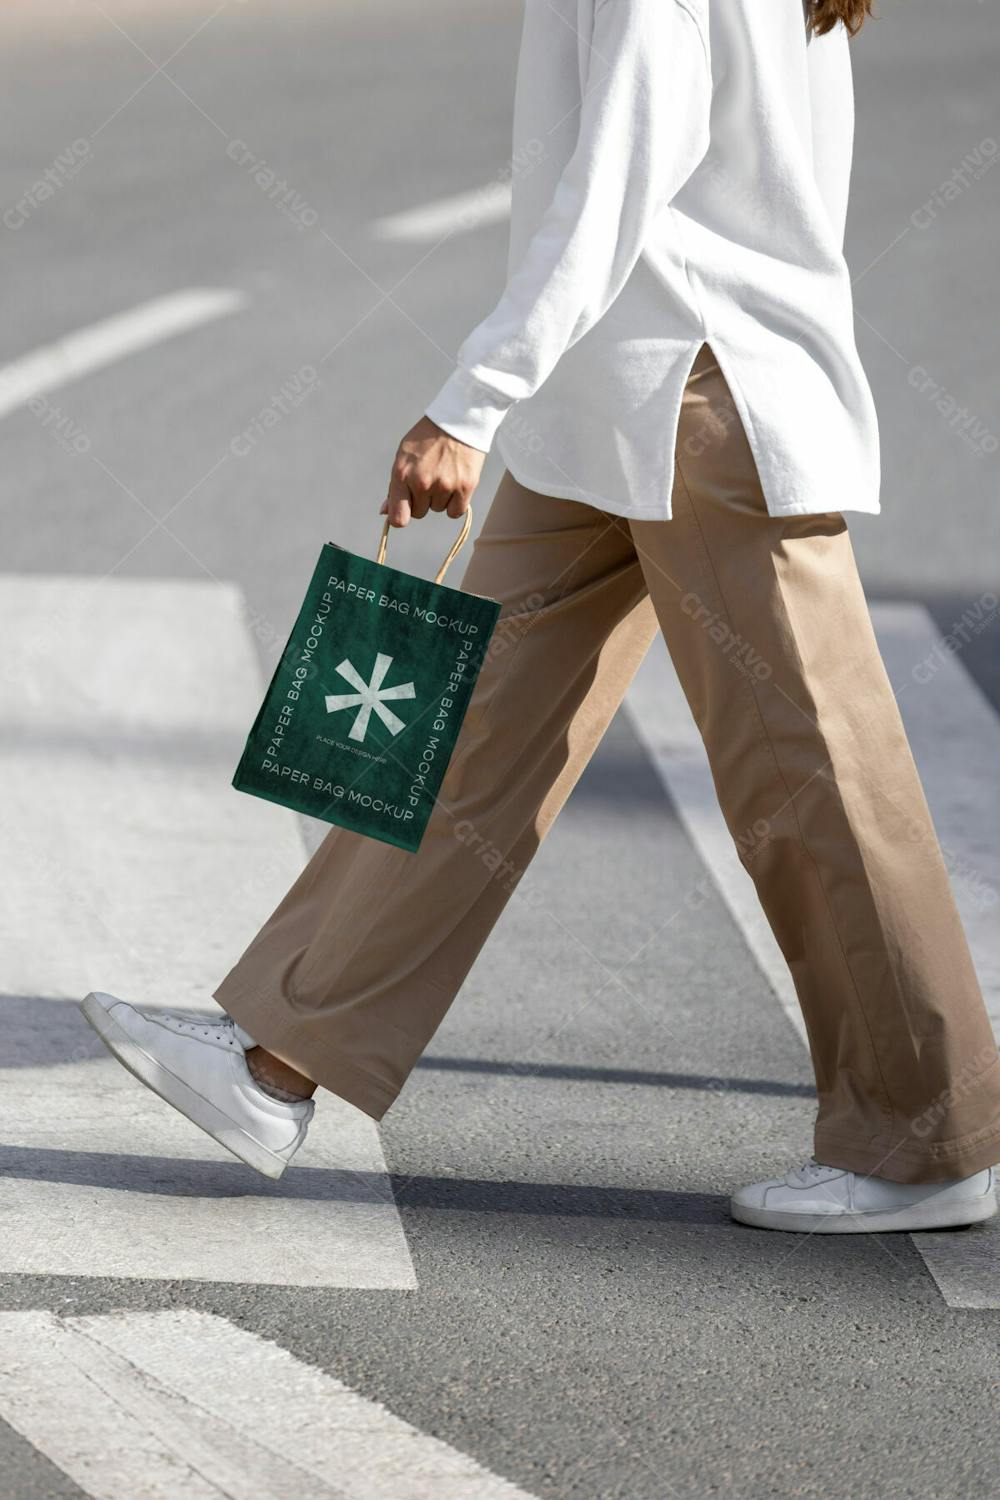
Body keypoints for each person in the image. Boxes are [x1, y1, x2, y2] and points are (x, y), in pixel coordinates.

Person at [83, 0, 1000, 1234]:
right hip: (606, 411)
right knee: (460, 729)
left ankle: (925, 1140)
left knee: (818, 779)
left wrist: (470, 403)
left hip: (701, 402)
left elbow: (611, 188)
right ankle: (276, 1060)